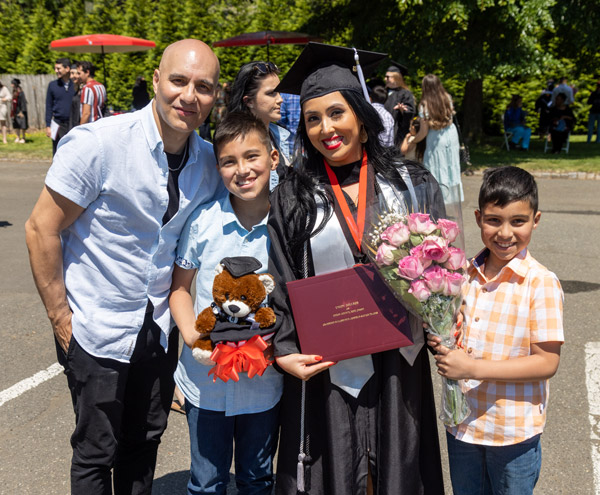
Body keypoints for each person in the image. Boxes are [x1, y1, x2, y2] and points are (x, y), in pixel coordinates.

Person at [24, 39, 223, 494]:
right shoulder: (99, 145)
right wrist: (60, 317)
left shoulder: (210, 162)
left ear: (215, 95)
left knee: (144, 443)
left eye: (204, 87)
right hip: (97, 325)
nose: (189, 96)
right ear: (156, 80)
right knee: (96, 451)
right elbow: (40, 229)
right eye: (178, 81)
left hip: (156, 327)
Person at [269, 42, 446, 495]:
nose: (325, 128)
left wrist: (446, 313)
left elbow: (442, 260)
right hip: (330, 364)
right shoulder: (294, 196)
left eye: (336, 113)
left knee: (399, 469)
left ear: (361, 119)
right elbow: (283, 276)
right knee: (337, 471)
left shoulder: (409, 182)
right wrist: (285, 346)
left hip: (397, 360)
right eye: (312, 118)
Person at [428, 166, 563, 495]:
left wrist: (472, 368)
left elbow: (546, 363)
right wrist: (440, 339)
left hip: (512, 434)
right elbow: (455, 335)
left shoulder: (540, 282)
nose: (505, 233)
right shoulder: (462, 273)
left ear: (536, 220)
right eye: (494, 220)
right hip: (462, 427)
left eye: (518, 221)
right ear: (477, 218)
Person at [169, 111, 283, 495]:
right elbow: (180, 289)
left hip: (264, 382)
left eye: (252, 156)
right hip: (206, 383)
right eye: (229, 161)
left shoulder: (290, 221)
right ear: (217, 167)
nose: (242, 170)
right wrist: (192, 337)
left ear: (274, 158)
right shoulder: (203, 223)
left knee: (257, 479)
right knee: (206, 482)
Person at [228, 61, 291, 189]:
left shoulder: (278, 134)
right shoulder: (237, 142)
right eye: (271, 93)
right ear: (249, 101)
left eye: (279, 92)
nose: (280, 99)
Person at [413, 74, 464, 205]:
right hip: (450, 134)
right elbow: (450, 119)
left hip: (435, 136)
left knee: (434, 165)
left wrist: (413, 140)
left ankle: (437, 199)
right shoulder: (447, 98)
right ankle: (451, 198)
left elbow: (423, 131)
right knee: (449, 163)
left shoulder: (424, 105)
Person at [46, 57, 75, 156]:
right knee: (57, 151)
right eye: (55, 68)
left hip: (72, 123)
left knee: (72, 150)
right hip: (57, 123)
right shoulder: (52, 85)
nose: (56, 71)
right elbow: (48, 106)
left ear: (67, 69)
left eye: (58, 68)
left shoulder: (75, 85)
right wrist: (48, 125)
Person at [383, 61, 415, 146]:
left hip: (397, 134)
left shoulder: (405, 94)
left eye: (388, 77)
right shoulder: (383, 92)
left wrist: (403, 111)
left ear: (397, 78)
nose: (385, 79)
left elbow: (410, 112)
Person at [11, 78, 27, 143]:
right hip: (15, 111)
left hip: (21, 111)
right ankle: (17, 137)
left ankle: (23, 138)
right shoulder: (14, 91)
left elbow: (23, 102)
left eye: (12, 83)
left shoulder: (20, 92)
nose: (11, 85)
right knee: (16, 125)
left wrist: (22, 111)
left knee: (22, 125)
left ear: (15, 84)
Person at [69, 62, 81, 130]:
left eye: (74, 73)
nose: (71, 76)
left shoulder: (85, 90)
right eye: (71, 73)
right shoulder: (76, 89)